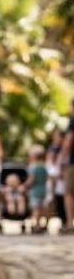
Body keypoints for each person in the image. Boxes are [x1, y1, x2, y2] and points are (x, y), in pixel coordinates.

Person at [24, 145, 48, 233]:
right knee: (41, 208)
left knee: (35, 209)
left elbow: (31, 179)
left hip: (35, 190)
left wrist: (25, 186)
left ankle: (35, 225)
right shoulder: (44, 166)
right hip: (43, 190)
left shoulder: (33, 167)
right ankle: (40, 224)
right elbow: (46, 178)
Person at [62, 99, 74, 234]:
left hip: (72, 162)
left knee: (69, 193)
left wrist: (61, 157)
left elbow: (69, 140)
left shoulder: (72, 120)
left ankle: (70, 223)